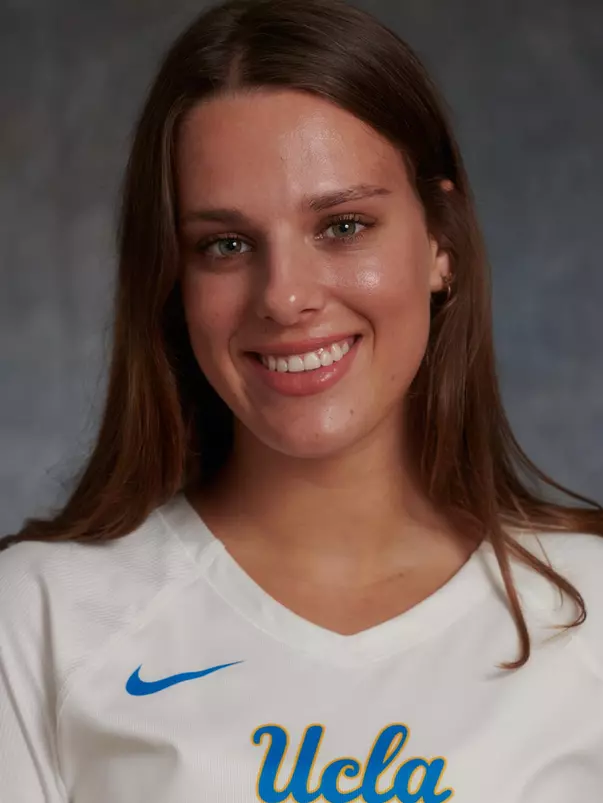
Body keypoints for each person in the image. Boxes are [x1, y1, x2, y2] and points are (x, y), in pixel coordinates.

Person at [1, 0, 602, 800]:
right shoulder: (40, 614)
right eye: (225, 244)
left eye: (343, 225)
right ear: (173, 282)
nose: (283, 297)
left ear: (439, 243)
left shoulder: (588, 605)